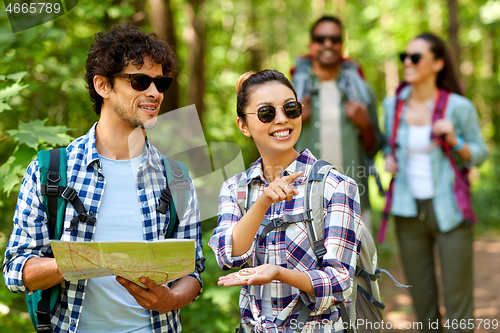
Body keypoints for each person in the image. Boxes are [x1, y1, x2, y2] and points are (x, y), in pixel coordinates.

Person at [3, 24, 204, 333]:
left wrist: (169, 299)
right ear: (103, 86)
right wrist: (82, 260)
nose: (154, 93)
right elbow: (16, 270)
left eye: (160, 82)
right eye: (140, 81)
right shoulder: (51, 171)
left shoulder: (176, 177)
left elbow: (194, 271)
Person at [209, 69, 363, 333]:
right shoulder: (235, 189)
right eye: (266, 113)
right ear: (243, 126)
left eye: (290, 109)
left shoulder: (336, 186)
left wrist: (279, 273)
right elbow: (228, 256)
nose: (281, 120)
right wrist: (263, 202)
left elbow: (341, 282)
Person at [383, 33, 488, 332]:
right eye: (405, 55)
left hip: (450, 211)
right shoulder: (393, 105)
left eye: (416, 57)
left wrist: (455, 140)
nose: (407, 62)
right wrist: (389, 158)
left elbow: (479, 155)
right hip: (407, 212)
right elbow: (389, 145)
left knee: (458, 302)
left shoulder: (459, 107)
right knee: (422, 303)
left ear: (438, 63)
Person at [291, 15, 383, 232]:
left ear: (342, 44)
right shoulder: (291, 93)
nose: (328, 44)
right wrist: (294, 121)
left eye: (334, 38)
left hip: (354, 200)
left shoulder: (362, 92)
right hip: (303, 202)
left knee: (361, 267)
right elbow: (272, 145)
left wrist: (365, 124)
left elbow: (375, 147)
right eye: (321, 39)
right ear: (311, 44)